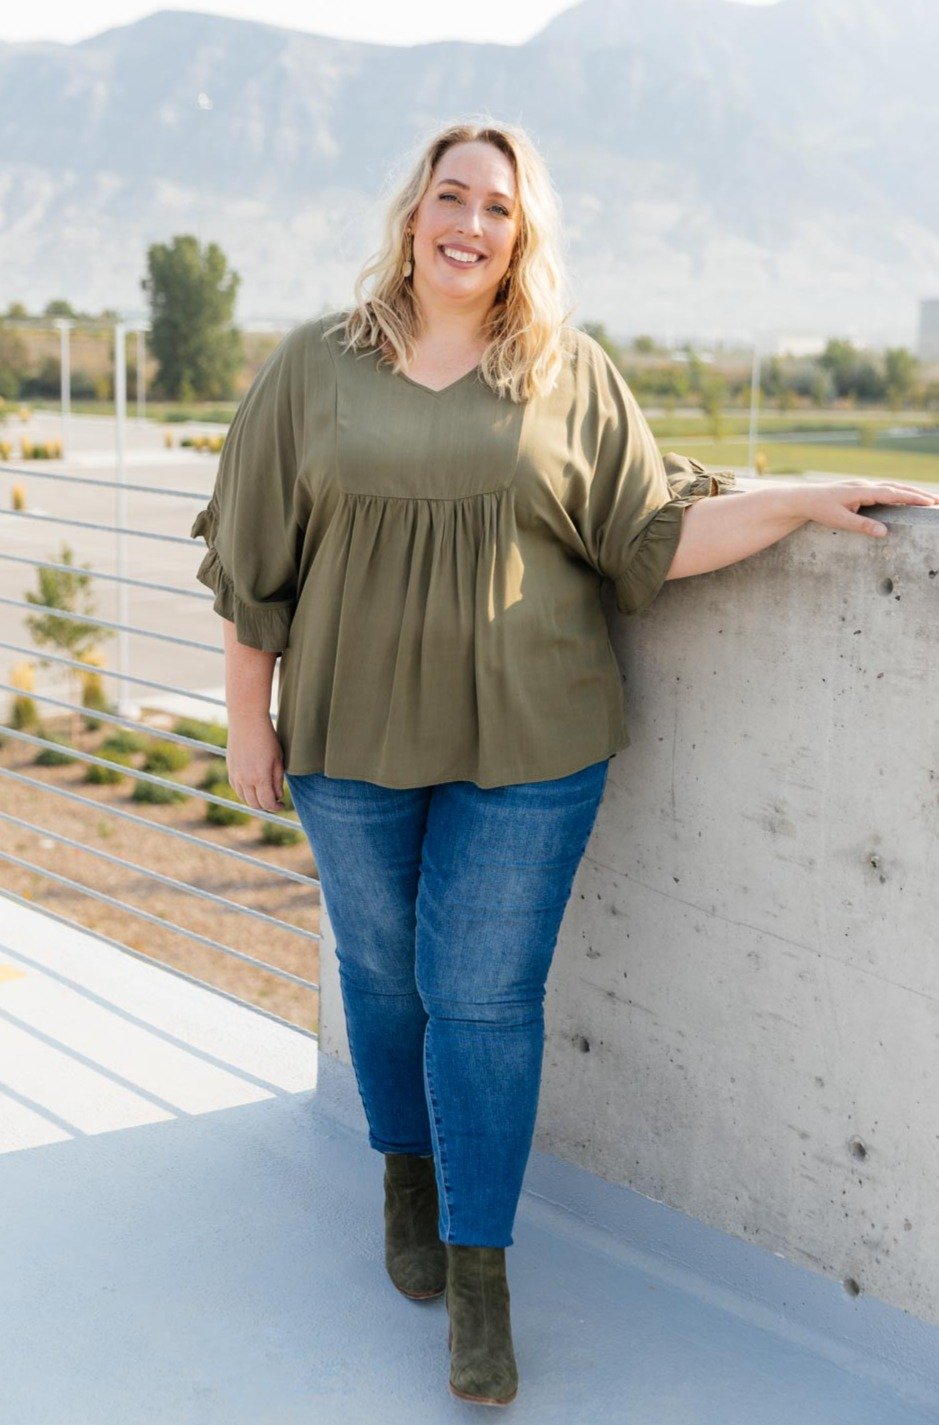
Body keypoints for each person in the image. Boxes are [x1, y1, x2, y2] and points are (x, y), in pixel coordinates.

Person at [190, 117, 937, 1408]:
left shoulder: (563, 371)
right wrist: (248, 717)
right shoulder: (312, 369)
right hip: (350, 738)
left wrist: (802, 495)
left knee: (480, 995)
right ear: (413, 209)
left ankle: (480, 1272)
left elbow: (650, 528)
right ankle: (404, 1172)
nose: (469, 225)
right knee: (381, 970)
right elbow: (254, 561)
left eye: (497, 207)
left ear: (521, 234)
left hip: (530, 737)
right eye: (452, 196)